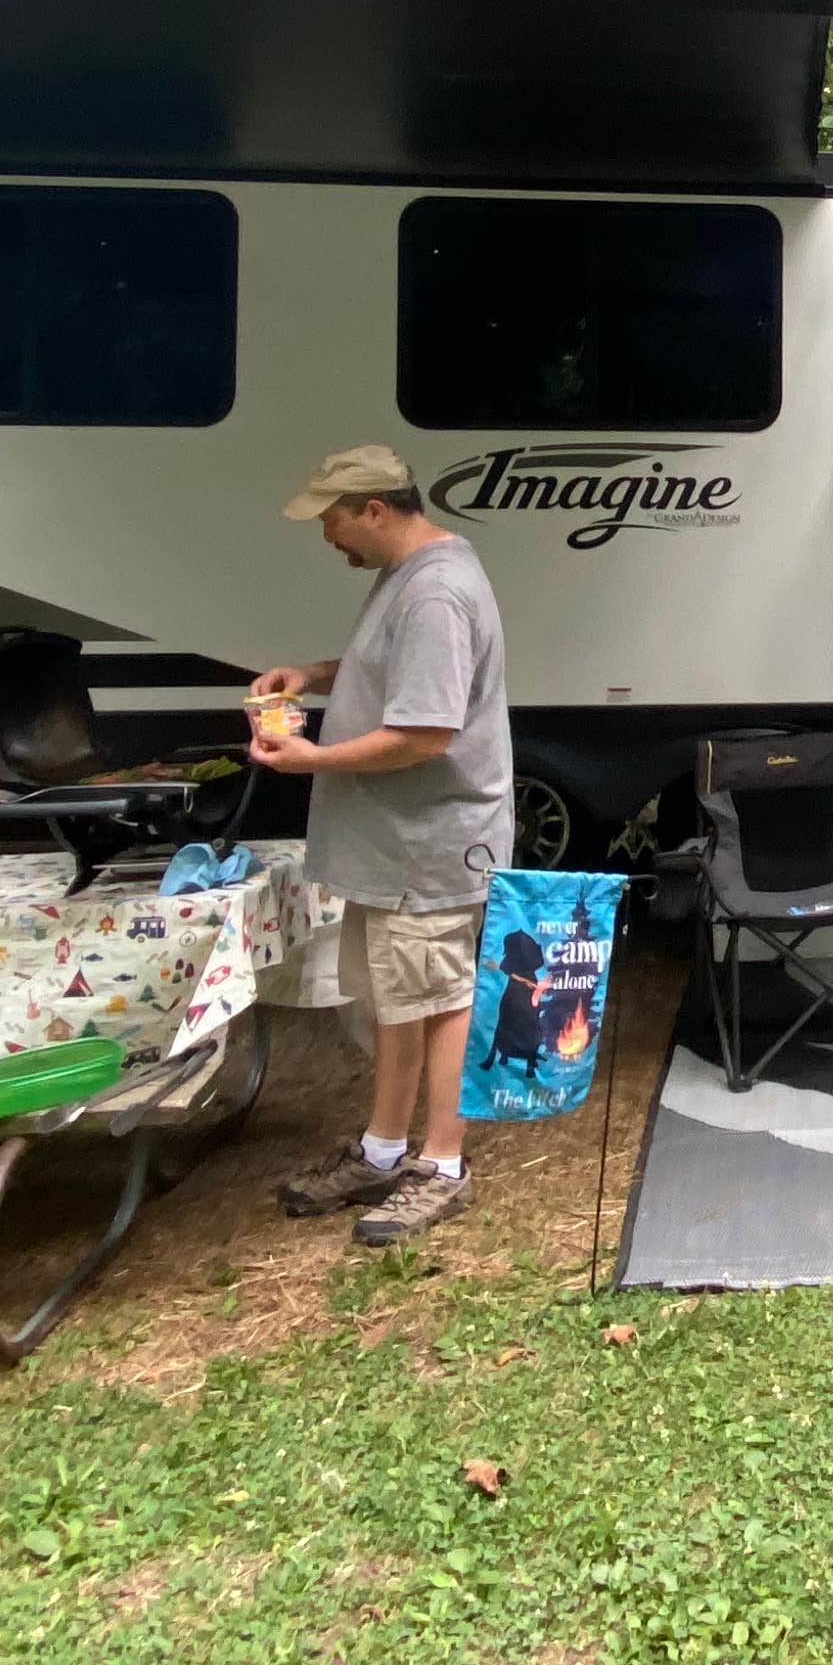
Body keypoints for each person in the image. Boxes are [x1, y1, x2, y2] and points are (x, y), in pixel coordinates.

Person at [248, 445, 513, 1245]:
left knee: (441, 999)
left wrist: (313, 759)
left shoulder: (435, 591)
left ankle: (443, 1166)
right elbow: (396, 670)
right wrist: (314, 673)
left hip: (425, 846)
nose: (326, 536)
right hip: (394, 847)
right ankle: (383, 1150)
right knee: (400, 999)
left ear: (373, 509)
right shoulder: (408, 575)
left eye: (330, 520)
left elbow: (427, 732)